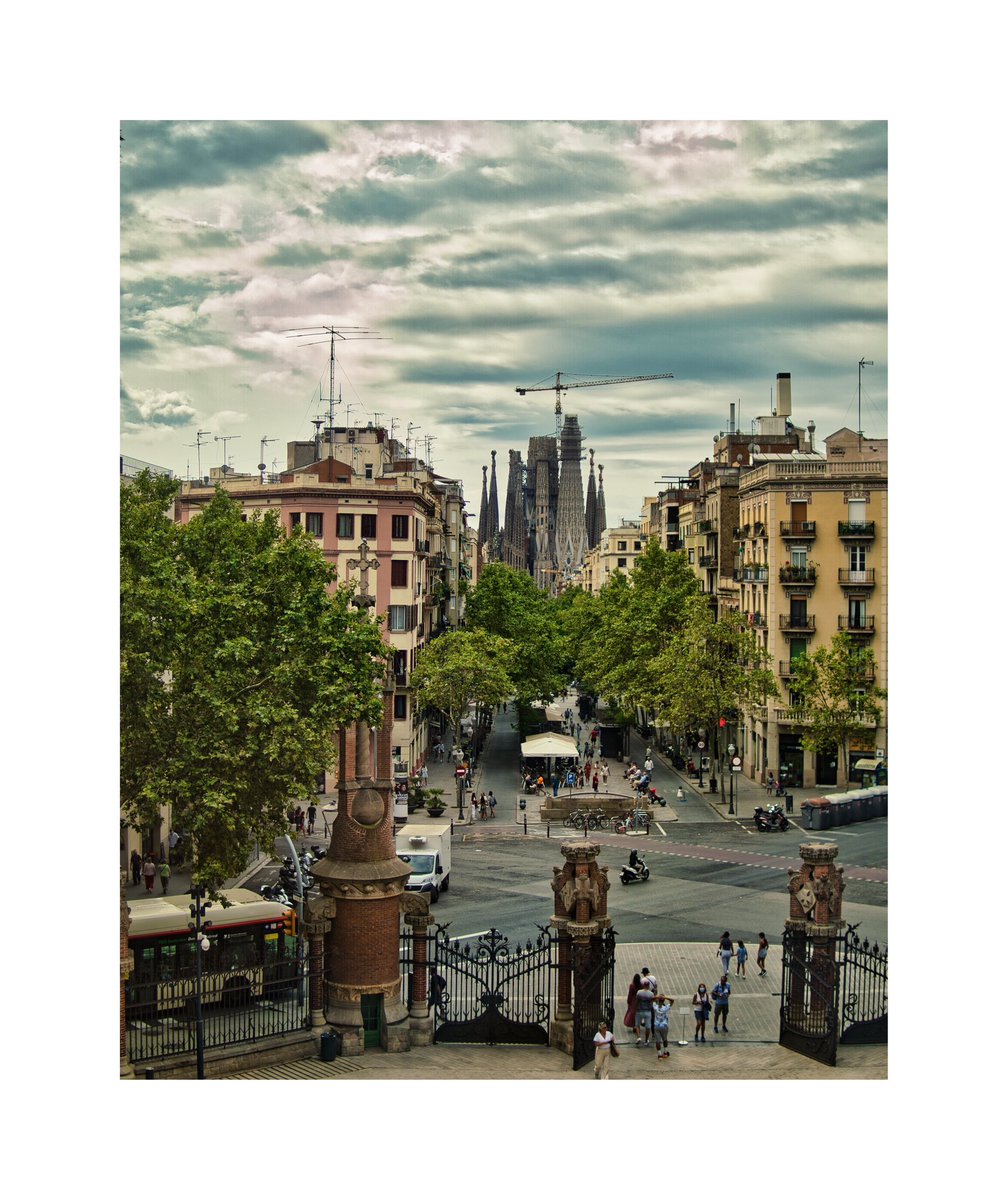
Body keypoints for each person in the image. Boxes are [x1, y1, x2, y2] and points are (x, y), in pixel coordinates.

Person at [635, 978, 655, 1047]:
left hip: (639, 1010)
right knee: (648, 1026)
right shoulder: (651, 994)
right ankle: (646, 1040)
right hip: (647, 1011)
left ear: (643, 985)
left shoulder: (639, 992)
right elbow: (652, 1003)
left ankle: (638, 1037)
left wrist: (635, 1008)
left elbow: (637, 1001)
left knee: (637, 1025)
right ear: (649, 986)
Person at [652, 994, 671, 1058]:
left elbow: (651, 999)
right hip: (664, 1026)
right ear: (663, 1001)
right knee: (665, 1039)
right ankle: (665, 1052)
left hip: (656, 1026)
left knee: (657, 1041)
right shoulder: (665, 1008)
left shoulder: (655, 1007)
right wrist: (665, 997)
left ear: (658, 1000)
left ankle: (659, 1054)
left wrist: (657, 997)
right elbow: (672, 1001)